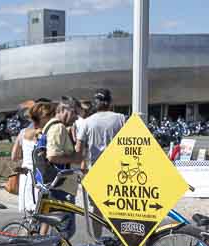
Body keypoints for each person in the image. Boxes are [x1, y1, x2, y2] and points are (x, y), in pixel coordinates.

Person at [76, 88, 126, 238]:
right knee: (118, 209)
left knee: (97, 210)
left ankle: (97, 241)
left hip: (95, 172)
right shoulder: (121, 119)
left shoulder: (86, 122)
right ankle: (120, 241)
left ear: (95, 103)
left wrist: (81, 167)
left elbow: (79, 149)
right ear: (110, 103)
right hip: (118, 171)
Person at [39, 96, 84, 238]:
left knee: (59, 228)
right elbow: (52, 156)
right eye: (75, 113)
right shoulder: (58, 128)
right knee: (65, 229)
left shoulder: (52, 126)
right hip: (60, 188)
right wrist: (75, 158)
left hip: (55, 186)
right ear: (64, 110)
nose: (76, 118)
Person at [11, 101, 55, 213]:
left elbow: (14, 156)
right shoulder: (46, 133)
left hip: (26, 174)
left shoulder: (23, 133)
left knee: (29, 213)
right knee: (42, 211)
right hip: (40, 174)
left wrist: (25, 157)